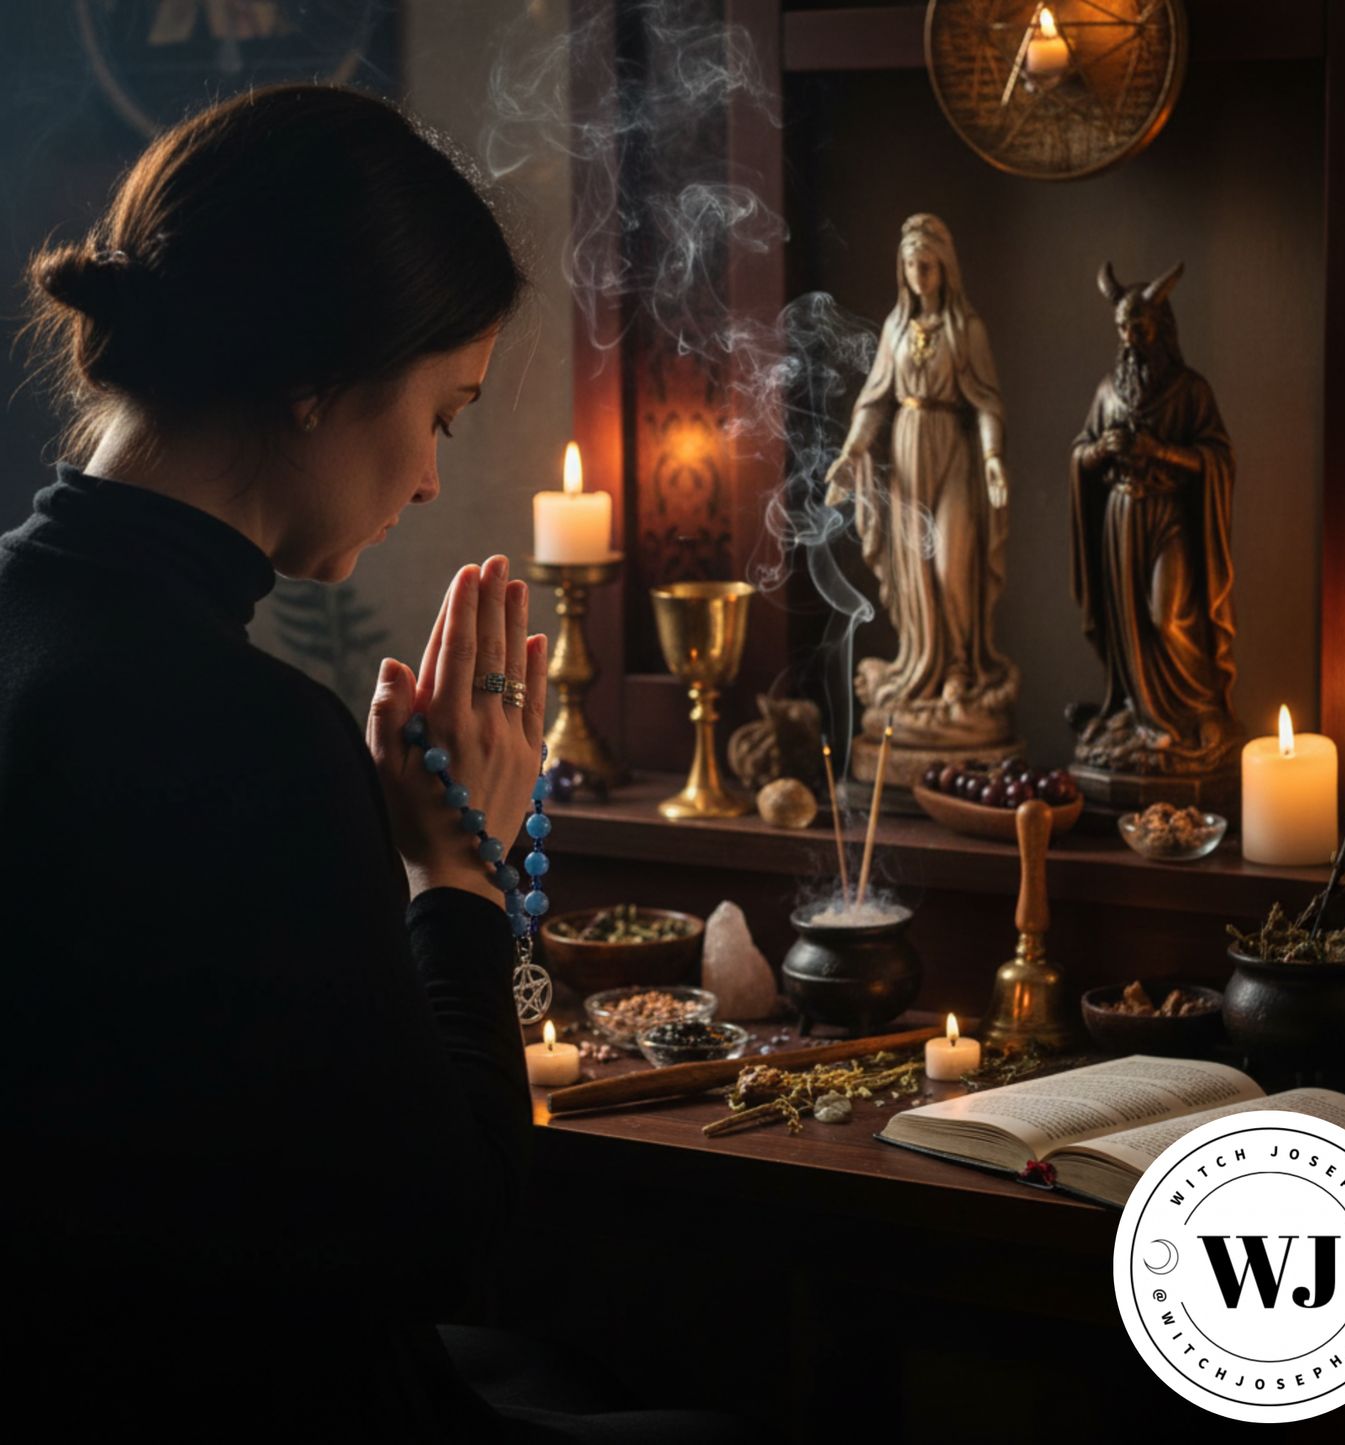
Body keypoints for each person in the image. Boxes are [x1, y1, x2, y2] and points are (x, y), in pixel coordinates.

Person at [1, 84, 750, 1443]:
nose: (424, 476)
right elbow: (443, 1236)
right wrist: (458, 870)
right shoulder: (242, 733)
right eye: (446, 413)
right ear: (315, 381)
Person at [823, 213, 1016, 747]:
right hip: (907, 454)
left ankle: (958, 671)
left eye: (927, 265)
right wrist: (851, 453)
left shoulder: (966, 329)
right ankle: (923, 673)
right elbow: (873, 401)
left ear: (945, 268)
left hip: (953, 450)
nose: (918, 275)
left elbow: (986, 403)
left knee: (953, 565)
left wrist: (994, 456)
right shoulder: (895, 328)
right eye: (909, 265)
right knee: (914, 572)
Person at [1068, 261, 1242, 774]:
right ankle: (1142, 717)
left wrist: (1161, 452)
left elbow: (1218, 457)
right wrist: (1101, 449)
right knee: (1130, 628)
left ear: (1161, 328)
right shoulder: (1108, 390)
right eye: (1122, 326)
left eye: (1138, 326)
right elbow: (1080, 450)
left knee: (1168, 619)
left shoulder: (1190, 391)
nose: (1129, 336)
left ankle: (1190, 716)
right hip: (1120, 519)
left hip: (1167, 518)